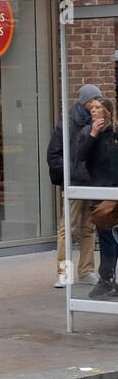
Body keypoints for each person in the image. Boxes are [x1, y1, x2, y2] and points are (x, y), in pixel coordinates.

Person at [46, 83, 101, 287]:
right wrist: (72, 173)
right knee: (67, 227)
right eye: (94, 101)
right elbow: (54, 155)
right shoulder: (67, 124)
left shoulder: (99, 122)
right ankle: (63, 273)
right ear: (87, 102)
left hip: (93, 183)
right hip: (75, 183)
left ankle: (86, 270)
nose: (97, 104)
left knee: (88, 227)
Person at [75, 95, 118, 299]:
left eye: (98, 107)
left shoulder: (114, 134)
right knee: (107, 238)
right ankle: (106, 279)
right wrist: (93, 133)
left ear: (107, 111)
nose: (93, 110)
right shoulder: (87, 132)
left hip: (114, 191)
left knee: (112, 238)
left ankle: (108, 280)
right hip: (100, 195)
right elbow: (80, 155)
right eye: (91, 107)